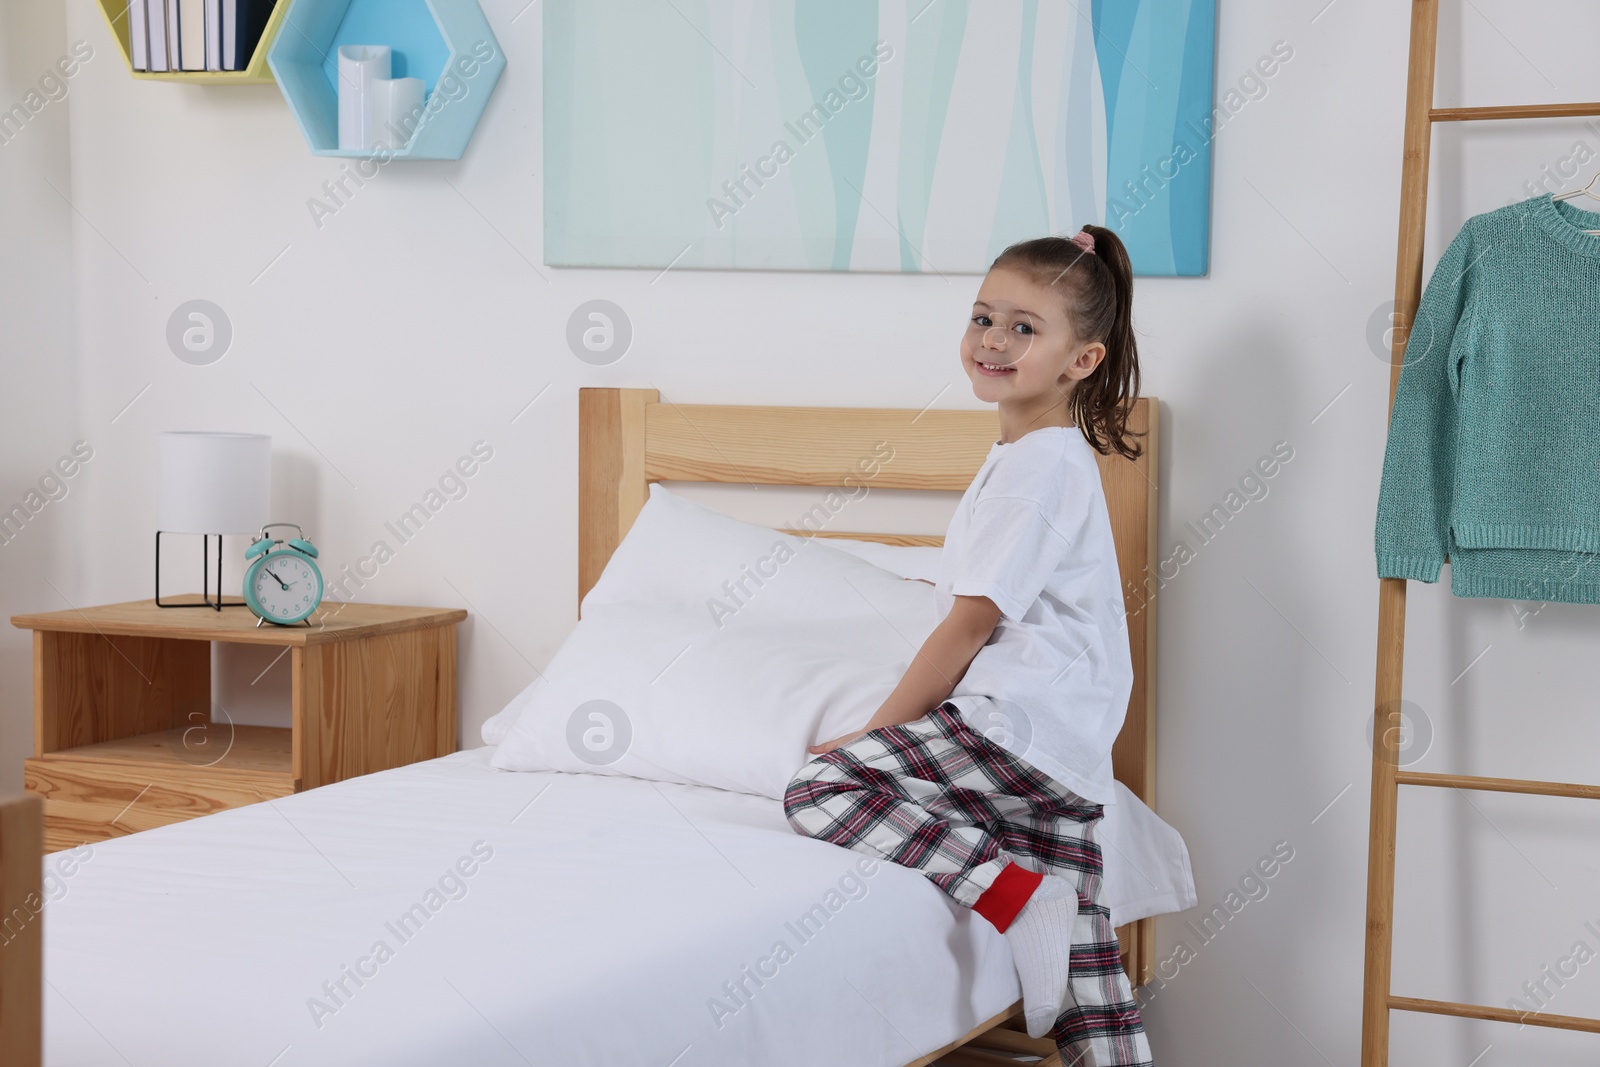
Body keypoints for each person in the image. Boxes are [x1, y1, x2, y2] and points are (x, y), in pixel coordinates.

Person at [784, 226, 1153, 1065]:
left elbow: (972, 623)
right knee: (1086, 959)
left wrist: (877, 735)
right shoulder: (1030, 456)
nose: (992, 339)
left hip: (1016, 724)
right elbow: (980, 597)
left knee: (820, 787)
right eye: (983, 316)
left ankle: (1018, 898)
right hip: (1065, 743)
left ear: (1081, 361)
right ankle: (1064, 940)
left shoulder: (1041, 468)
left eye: (1024, 328)